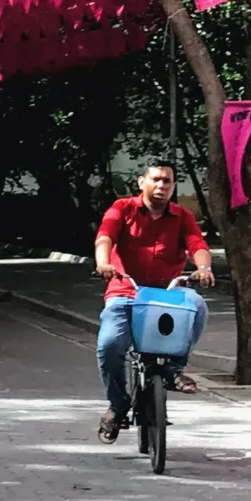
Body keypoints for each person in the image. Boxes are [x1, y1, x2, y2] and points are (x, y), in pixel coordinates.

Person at [93, 161, 214, 442]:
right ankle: (118, 405)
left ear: (173, 186)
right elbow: (105, 236)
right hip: (125, 292)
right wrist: (103, 263)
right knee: (109, 345)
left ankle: (174, 369)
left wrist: (204, 269)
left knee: (196, 305)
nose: (162, 186)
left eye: (167, 181)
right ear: (141, 182)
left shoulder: (182, 216)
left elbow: (197, 245)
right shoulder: (122, 208)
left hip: (166, 294)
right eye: (156, 180)